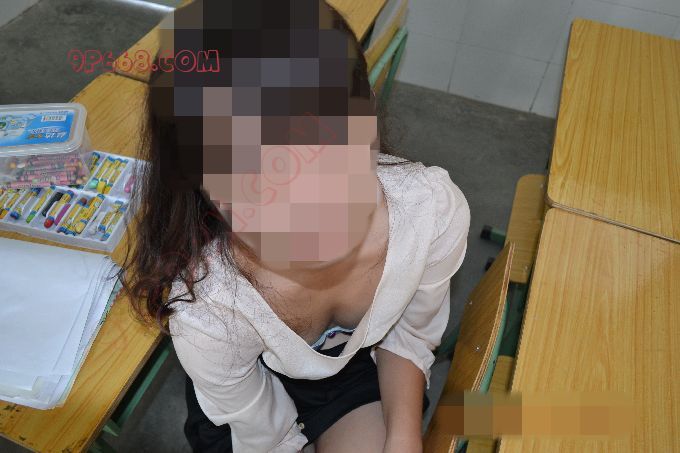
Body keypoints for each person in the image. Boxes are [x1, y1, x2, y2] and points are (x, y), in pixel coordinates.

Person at [118, 0, 470, 451]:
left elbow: (411, 335)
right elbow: (265, 436)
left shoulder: (430, 212)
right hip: (249, 406)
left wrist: (404, 437)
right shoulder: (211, 315)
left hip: (352, 368)